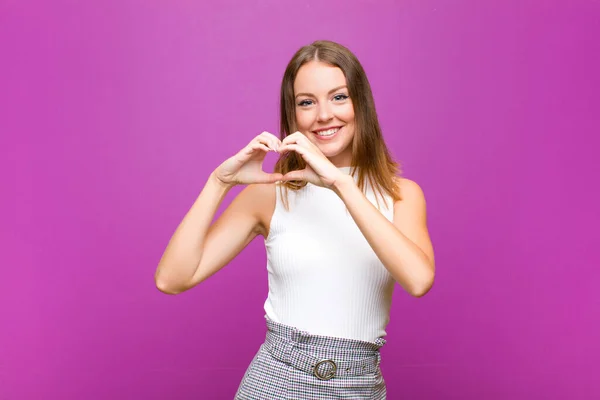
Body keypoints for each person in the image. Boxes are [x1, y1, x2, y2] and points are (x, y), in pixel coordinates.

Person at [154, 40, 435, 399]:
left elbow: (418, 279)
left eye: (338, 97)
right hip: (277, 381)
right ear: (293, 115)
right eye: (306, 102)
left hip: (360, 385)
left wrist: (341, 184)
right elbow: (171, 279)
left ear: (360, 103)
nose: (323, 116)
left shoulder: (402, 194)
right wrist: (219, 183)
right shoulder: (272, 192)